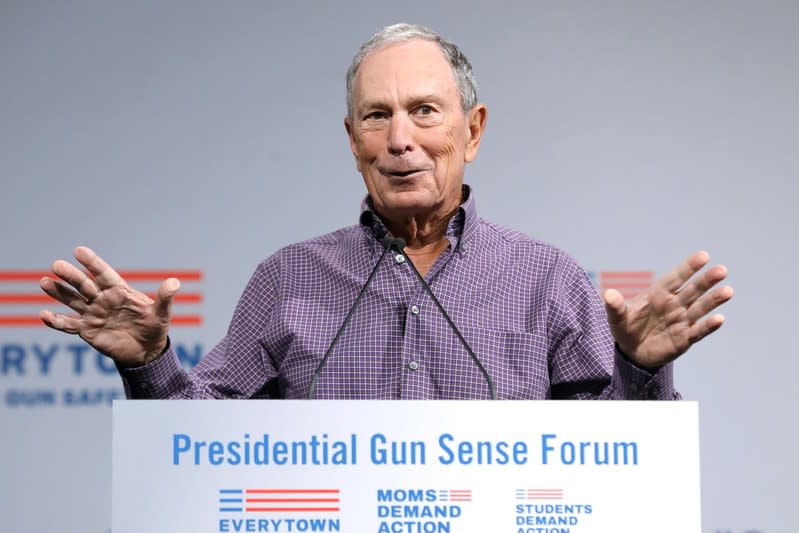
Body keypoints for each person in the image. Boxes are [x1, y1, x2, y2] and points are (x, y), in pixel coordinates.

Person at [38, 23, 732, 400]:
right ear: (351, 140)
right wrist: (151, 361)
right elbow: (198, 452)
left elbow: (619, 469)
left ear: (473, 130)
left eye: (424, 111)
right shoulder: (286, 279)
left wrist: (638, 367)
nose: (399, 139)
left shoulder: (545, 278)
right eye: (376, 116)